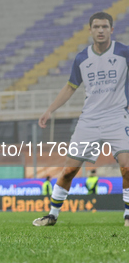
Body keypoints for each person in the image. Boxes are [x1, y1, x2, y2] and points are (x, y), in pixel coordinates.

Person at [33, 12, 129, 227]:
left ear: (112, 30)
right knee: (69, 171)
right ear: (90, 30)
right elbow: (70, 87)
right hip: (89, 121)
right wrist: (50, 110)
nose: (101, 30)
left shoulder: (124, 52)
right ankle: (52, 215)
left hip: (117, 117)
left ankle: (128, 216)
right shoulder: (81, 58)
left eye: (105, 26)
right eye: (96, 27)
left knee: (127, 167)